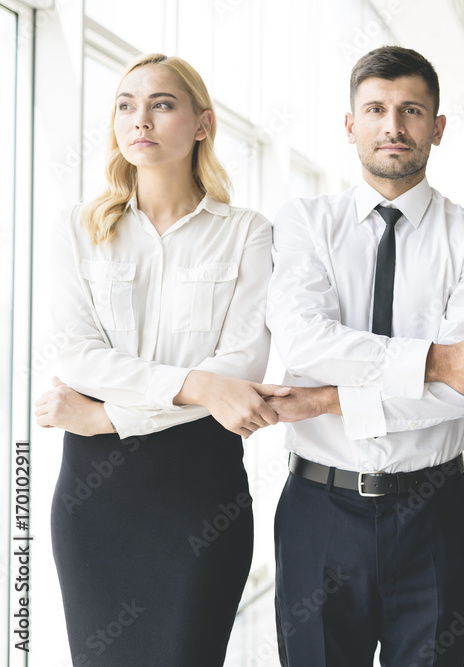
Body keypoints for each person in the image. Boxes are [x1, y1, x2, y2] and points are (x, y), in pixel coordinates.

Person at [263, 46, 464, 666]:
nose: (393, 127)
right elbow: (300, 341)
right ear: (350, 125)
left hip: (434, 512)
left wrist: (325, 398)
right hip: (317, 513)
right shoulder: (305, 223)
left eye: (411, 110)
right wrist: (434, 359)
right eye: (375, 109)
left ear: (438, 126)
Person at [34, 54, 283, 665]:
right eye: (126, 104)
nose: (139, 118)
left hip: (200, 490)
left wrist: (109, 417)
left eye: (161, 104)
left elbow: (243, 368)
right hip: (97, 500)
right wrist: (200, 385)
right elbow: (78, 356)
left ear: (202, 124)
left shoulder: (248, 232)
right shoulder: (77, 228)